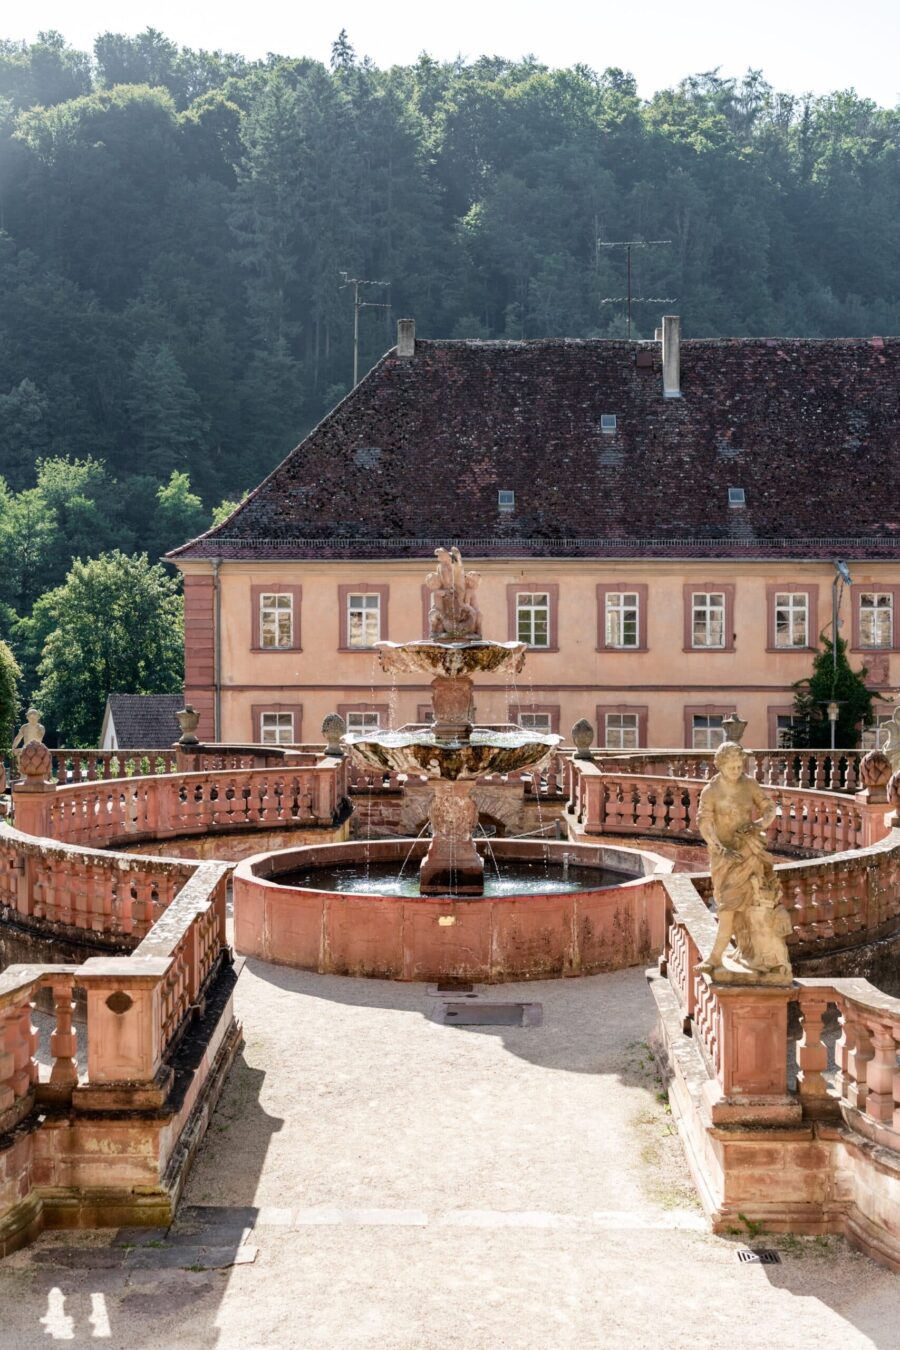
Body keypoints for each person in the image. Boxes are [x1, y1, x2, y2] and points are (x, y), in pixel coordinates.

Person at [696, 740, 792, 978]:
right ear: (720, 766)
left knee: (733, 907)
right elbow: (705, 824)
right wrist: (719, 848)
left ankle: (715, 957)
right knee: (729, 905)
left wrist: (759, 824)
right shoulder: (711, 791)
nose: (737, 771)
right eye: (732, 767)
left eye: (739, 766)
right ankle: (745, 951)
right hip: (724, 857)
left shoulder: (749, 784)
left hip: (749, 852)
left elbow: (769, 807)